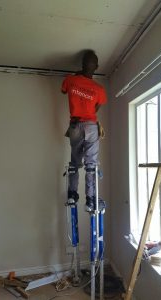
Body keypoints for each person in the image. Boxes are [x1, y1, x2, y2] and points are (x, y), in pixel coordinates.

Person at [61, 50, 107, 211]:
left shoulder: (70, 80)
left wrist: (78, 74)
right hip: (90, 125)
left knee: (74, 163)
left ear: (82, 65)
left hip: (74, 126)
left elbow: (63, 90)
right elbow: (96, 109)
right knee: (91, 165)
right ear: (97, 66)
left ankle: (72, 196)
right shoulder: (99, 89)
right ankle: (91, 200)